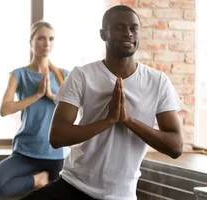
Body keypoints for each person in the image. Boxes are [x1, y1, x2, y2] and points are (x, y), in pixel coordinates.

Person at [21, 5, 184, 200]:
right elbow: (57, 136)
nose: (128, 33)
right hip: (74, 186)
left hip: (121, 195)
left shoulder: (158, 81)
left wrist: (128, 120)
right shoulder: (82, 75)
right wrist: (108, 120)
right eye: (119, 28)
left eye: (134, 28)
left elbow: (176, 147)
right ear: (103, 34)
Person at [0, 21, 69, 199]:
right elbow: (5, 109)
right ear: (31, 42)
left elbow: (75, 112)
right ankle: (37, 180)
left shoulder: (64, 75)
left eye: (51, 39)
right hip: (25, 151)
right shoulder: (18, 74)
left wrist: (51, 95)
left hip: (56, 154)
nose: (47, 43)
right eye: (41, 38)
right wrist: (36, 95)